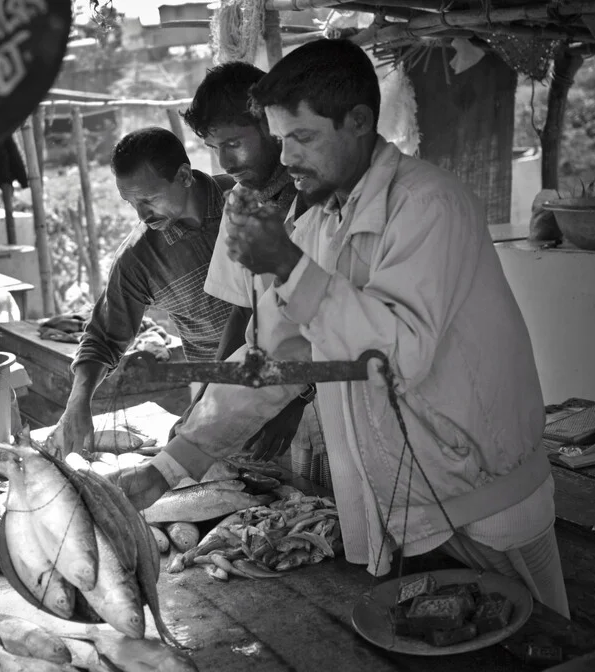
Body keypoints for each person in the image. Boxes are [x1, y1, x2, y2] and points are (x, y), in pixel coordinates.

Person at [115, 39, 569, 617]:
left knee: (538, 646)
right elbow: (271, 361)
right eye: (281, 140)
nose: (288, 158)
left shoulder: (429, 203)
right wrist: (168, 467)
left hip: (487, 509)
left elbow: (398, 356)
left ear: (358, 121)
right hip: (405, 511)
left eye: (303, 138)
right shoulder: (319, 226)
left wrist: (287, 266)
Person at [50, 127, 236, 456]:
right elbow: (103, 337)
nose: (141, 214)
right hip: (223, 405)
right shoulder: (139, 259)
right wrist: (77, 405)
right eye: (131, 202)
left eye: (149, 199)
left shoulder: (246, 199)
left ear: (183, 176)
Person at [175, 60, 315, 468]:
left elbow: (342, 321)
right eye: (215, 148)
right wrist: (206, 404)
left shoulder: (319, 195)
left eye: (235, 142)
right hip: (270, 401)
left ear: (272, 125)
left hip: (332, 395)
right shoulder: (240, 203)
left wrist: (299, 400)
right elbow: (242, 310)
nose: (225, 163)